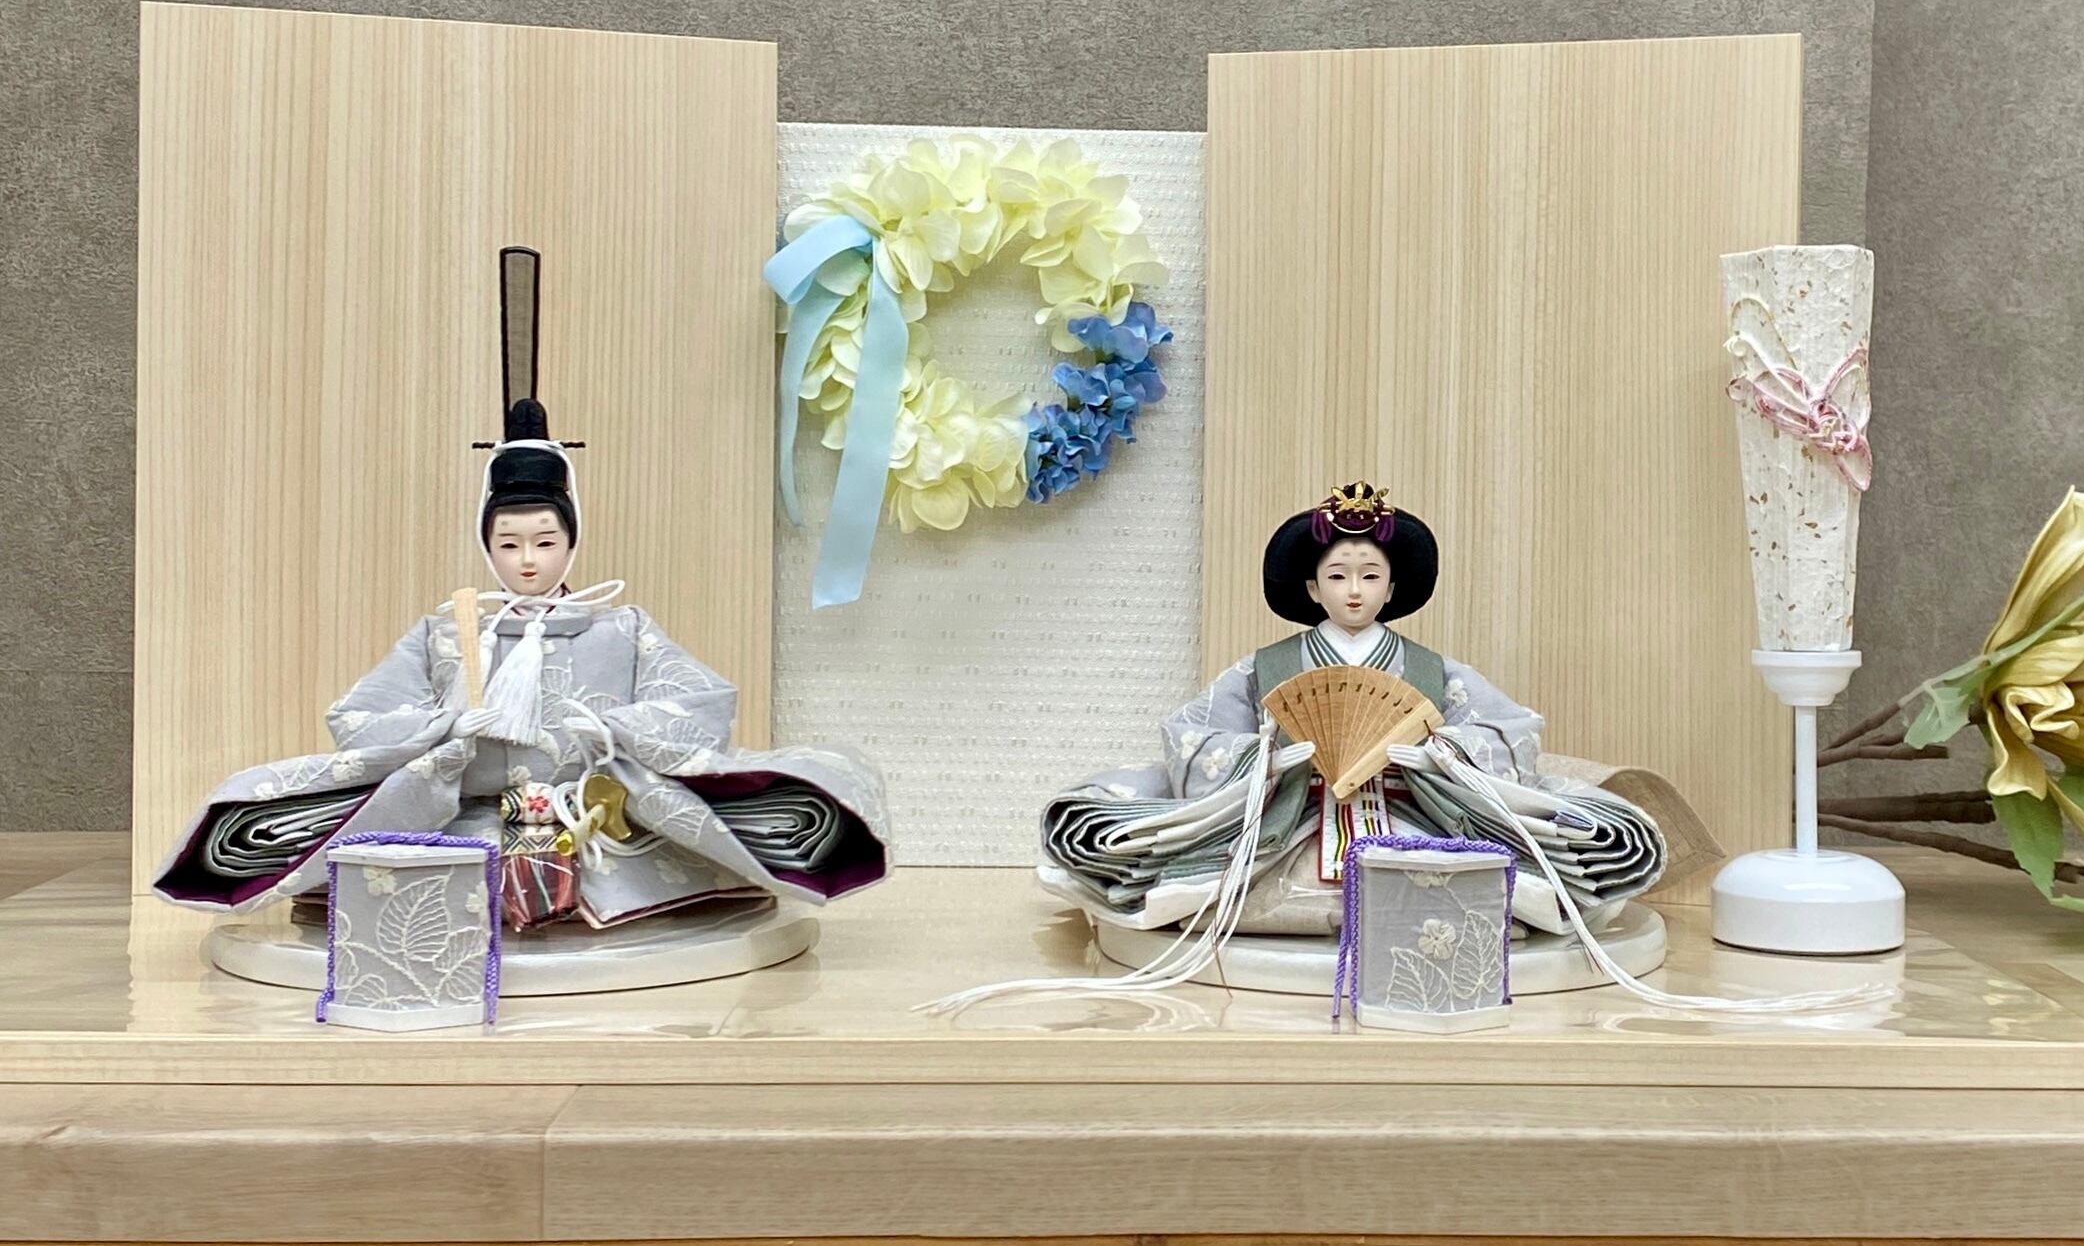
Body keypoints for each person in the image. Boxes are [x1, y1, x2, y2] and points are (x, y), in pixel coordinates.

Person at [154, 247, 889, 932]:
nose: (528, 561)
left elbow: (703, 703)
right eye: (509, 544)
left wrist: (612, 730)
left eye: (545, 541)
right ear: (486, 544)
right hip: (467, 815)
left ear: (573, 538)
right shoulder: (448, 631)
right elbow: (359, 715)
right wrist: (445, 733)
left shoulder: (620, 627)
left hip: (594, 819)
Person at [1038, 481, 1708, 940]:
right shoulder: (1265, 668)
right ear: (1312, 587)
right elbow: (1193, 736)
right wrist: (1266, 759)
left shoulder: (1432, 672)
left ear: (1392, 587)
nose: (1353, 590)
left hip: (1413, 810)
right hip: (1289, 819)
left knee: (1513, 888)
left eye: (1368, 576)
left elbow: (1509, 731)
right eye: (1337, 576)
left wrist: (1441, 755)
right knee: (1198, 889)